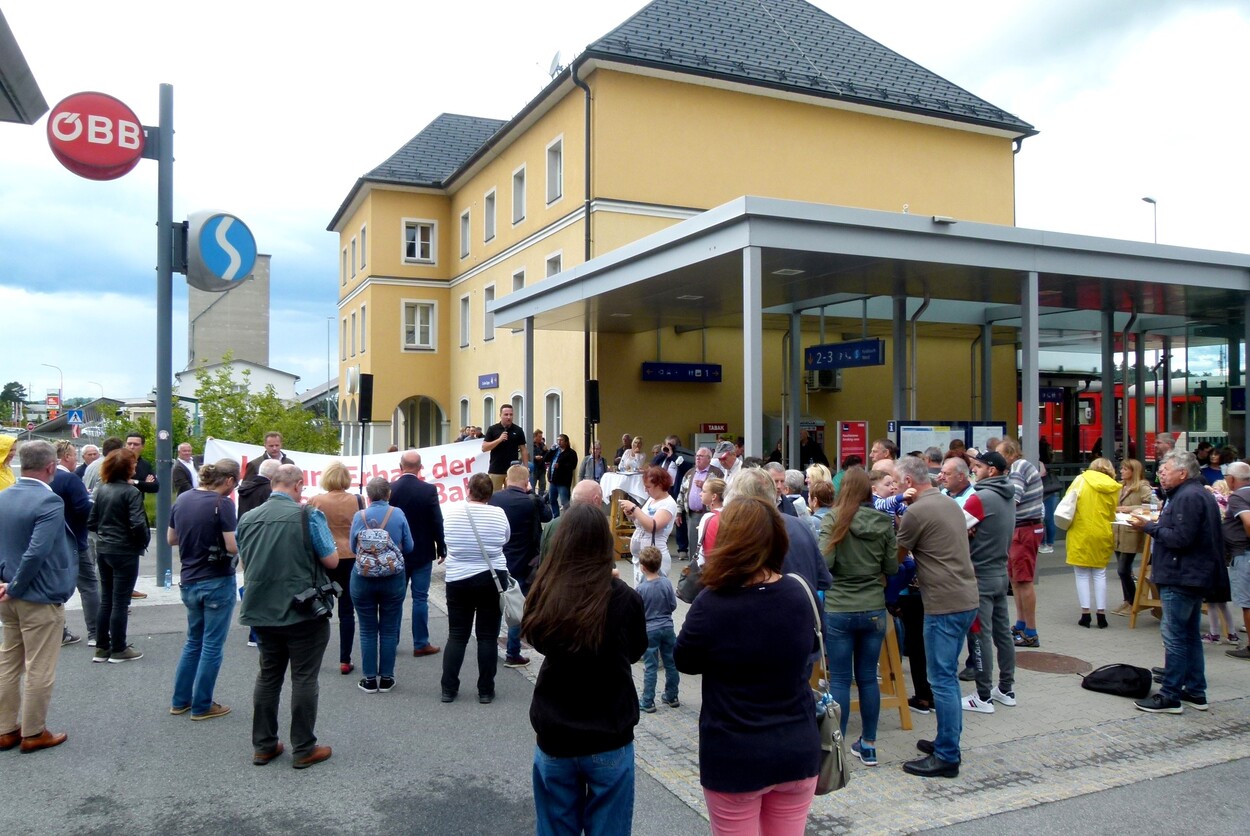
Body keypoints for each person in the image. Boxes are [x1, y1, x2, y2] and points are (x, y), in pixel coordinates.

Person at [675, 496, 820, 832]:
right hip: (796, 747)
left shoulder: (712, 603)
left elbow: (685, 660)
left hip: (734, 754)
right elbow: (812, 646)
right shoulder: (800, 592)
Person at [524, 504, 647, 835]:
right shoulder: (624, 598)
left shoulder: (545, 589)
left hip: (556, 729)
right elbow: (636, 651)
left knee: (555, 826)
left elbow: (539, 642)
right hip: (609, 730)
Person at [237, 464, 338, 768]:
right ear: (297, 486)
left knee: (268, 676)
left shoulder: (247, 518)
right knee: (304, 678)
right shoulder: (308, 515)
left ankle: (264, 745)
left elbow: (246, 560)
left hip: (261, 609)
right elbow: (331, 560)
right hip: (303, 609)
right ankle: (304, 748)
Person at [895, 455, 979, 778]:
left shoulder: (917, 511)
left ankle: (947, 756)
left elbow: (895, 559)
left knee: (941, 679)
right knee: (947, 677)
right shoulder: (948, 504)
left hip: (943, 604)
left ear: (906, 483)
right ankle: (946, 740)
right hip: (966, 597)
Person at [1129, 451, 1224, 713]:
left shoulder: (1189, 496)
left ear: (1182, 473)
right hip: (1190, 574)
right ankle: (1195, 690)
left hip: (1182, 575)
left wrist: (1148, 527)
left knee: (1175, 636)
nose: (1160, 472)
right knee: (1189, 634)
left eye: (1166, 468)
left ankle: (1170, 695)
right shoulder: (1192, 494)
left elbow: (1181, 538)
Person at [818, 467, 898, 768]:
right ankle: (869, 745)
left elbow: (825, 563)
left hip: (840, 607)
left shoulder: (834, 519)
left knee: (840, 678)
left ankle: (836, 747)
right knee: (867, 678)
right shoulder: (883, 521)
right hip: (874, 608)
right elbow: (891, 567)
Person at [0, 440, 76, 753]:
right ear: (50, 467)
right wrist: (16, 584)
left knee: (8, 662)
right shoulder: (49, 501)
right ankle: (33, 732)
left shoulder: (3, 496)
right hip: (37, 594)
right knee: (39, 666)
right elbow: (37, 551)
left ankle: (5, 730)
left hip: (7, 592)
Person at [167, 459, 240, 720]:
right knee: (212, 645)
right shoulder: (223, 504)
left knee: (193, 642)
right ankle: (202, 705)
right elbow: (231, 546)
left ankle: (180, 700)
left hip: (189, 579)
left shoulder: (183, 499)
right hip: (217, 579)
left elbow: (171, 538)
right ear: (229, 480)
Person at [440, 473, 510, 704]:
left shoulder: (452, 513)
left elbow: (447, 539)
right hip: (492, 578)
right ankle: (485, 690)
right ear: (490, 493)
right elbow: (504, 540)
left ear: (468, 490)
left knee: (457, 635)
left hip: (458, 578)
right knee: (487, 637)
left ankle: (449, 689)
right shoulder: (499, 514)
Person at [961, 451, 1018, 713]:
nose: (974, 470)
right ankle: (1006, 689)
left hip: (980, 576)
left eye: (977, 466)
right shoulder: (1009, 495)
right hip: (999, 573)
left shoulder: (980, 497)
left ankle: (982, 696)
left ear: (991, 470)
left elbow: (953, 528)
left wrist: (970, 534)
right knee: (1002, 633)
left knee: (979, 635)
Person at [348, 477, 413, 694]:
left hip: (363, 578)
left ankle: (368, 680)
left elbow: (351, 547)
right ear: (389, 494)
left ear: (368, 495)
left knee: (367, 630)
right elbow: (409, 546)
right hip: (393, 577)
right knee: (388, 629)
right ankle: (386, 678)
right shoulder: (398, 514)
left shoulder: (360, 516)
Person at [86, 448, 149, 663]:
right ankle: (119, 648)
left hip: (104, 548)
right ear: (127, 468)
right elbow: (138, 523)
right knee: (121, 602)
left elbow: (91, 521)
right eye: (132, 465)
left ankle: (102, 647)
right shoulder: (131, 492)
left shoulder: (102, 489)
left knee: (107, 600)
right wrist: (142, 541)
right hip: (125, 550)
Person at [490, 464, 551, 668]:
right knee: (517, 607)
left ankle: (489, 648)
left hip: (498, 560)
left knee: (495, 605)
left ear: (507, 480)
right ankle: (513, 652)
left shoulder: (495, 498)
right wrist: (533, 493)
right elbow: (548, 516)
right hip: (525, 562)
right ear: (526, 482)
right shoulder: (530, 501)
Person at [308, 462, 363, 675]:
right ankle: (344, 659)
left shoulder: (315, 501)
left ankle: (313, 657)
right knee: (347, 611)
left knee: (319, 607)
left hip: (325, 557)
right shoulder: (357, 500)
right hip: (351, 556)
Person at [389, 451, 446, 658]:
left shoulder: (390, 489)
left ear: (400, 466)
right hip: (422, 551)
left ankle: (391, 640)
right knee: (420, 598)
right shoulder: (428, 490)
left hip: (396, 552)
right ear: (420, 467)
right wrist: (441, 546)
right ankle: (421, 643)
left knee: (395, 599)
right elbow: (436, 520)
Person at [1062, 458, 1120, 629]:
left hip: (1080, 531)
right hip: (1102, 532)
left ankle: (1085, 614)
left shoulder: (1081, 480)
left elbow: (1069, 501)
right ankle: (1101, 614)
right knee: (1099, 573)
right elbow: (1112, 511)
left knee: (1081, 574)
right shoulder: (1113, 486)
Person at [998, 439, 1044, 648]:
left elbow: (1012, 497)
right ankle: (1021, 624)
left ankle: (1031, 632)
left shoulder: (1018, 467)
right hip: (1021, 529)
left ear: (1009, 453)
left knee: (1024, 581)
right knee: (1016, 580)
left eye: (998, 454)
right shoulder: (1016, 468)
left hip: (1024, 529)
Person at [51, 441, 94, 647]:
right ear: (66, 456)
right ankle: (96, 633)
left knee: (53, 586)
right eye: (74, 455)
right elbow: (83, 510)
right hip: (75, 540)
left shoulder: (45, 479)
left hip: (49, 543)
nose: (75, 459)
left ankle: (59, 632)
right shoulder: (70, 479)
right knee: (89, 586)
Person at [636, 545, 679, 714]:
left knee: (651, 665)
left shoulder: (641, 589)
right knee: (671, 663)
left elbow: (638, 611)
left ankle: (648, 700)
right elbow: (673, 604)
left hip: (649, 629)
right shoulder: (666, 582)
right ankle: (672, 695)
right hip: (667, 627)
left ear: (643, 567)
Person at [620, 466, 678, 583]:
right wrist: (631, 515)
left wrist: (635, 509)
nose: (646, 490)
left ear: (660, 485)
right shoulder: (652, 500)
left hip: (654, 559)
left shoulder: (668, 504)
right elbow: (642, 521)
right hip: (641, 558)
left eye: (648, 487)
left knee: (650, 594)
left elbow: (653, 526)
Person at [1112, 459, 1154, 616]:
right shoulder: (1119, 486)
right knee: (1123, 568)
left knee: (1123, 569)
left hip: (1131, 531)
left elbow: (1151, 505)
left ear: (1133, 471)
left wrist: (1130, 508)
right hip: (1118, 530)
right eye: (1121, 468)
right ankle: (1127, 601)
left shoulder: (1142, 487)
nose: (1121, 471)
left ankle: (1133, 601)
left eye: (1125, 469)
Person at [1221, 461, 1250, 660]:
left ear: (1231, 479)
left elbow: (1248, 521)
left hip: (1244, 554)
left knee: (1247, 603)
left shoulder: (1238, 497)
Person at [677, 448, 722, 559]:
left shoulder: (716, 473)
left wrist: (705, 485)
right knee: (693, 545)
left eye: (701, 456)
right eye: (697, 455)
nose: (698, 458)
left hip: (709, 513)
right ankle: (694, 570)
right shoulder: (690, 473)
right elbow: (681, 493)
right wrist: (678, 512)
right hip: (692, 515)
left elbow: (722, 492)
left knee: (708, 543)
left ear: (709, 459)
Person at [482, 405, 528, 492]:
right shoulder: (493, 429)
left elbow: (523, 449)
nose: (509, 417)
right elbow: (484, 448)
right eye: (506, 414)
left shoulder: (518, 430)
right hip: (496, 469)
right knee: (494, 496)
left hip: (513, 470)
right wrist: (499, 440)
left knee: (513, 495)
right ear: (500, 415)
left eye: (511, 414)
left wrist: (526, 467)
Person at [547, 433, 578, 517]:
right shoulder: (555, 451)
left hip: (563, 481)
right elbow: (546, 459)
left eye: (561, 440)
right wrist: (551, 450)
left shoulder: (571, 453)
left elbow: (573, 465)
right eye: (558, 440)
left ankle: (567, 517)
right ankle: (556, 516)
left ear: (566, 442)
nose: (559, 442)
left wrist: (560, 465)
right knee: (552, 499)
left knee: (564, 501)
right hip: (553, 480)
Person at [531, 429, 548, 496]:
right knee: (533, 484)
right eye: (539, 436)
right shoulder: (531, 445)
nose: (541, 438)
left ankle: (541, 497)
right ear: (535, 437)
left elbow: (546, 455)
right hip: (534, 467)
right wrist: (534, 457)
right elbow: (528, 455)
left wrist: (545, 450)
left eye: (541, 436)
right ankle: (533, 497)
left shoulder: (542, 444)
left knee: (543, 484)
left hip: (541, 467)